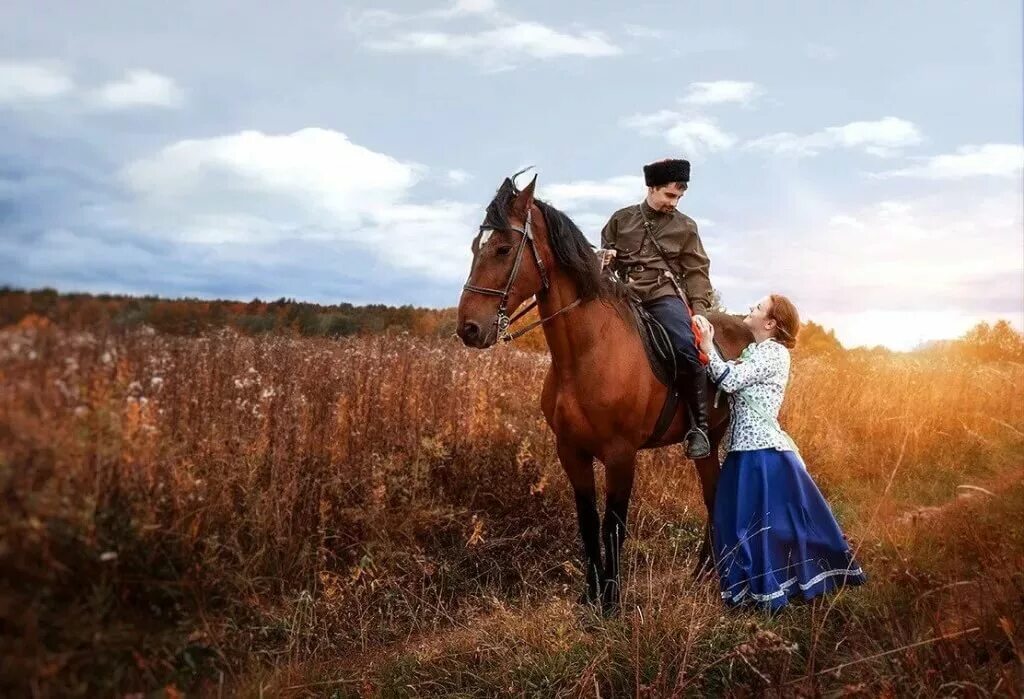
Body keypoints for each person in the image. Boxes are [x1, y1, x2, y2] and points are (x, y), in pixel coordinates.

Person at [693, 296, 866, 611]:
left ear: (771, 323)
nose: (752, 309)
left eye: (758, 308)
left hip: (760, 453)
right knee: (737, 522)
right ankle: (753, 589)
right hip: (741, 450)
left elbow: (729, 381)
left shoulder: (774, 353)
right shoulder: (755, 351)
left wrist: (706, 343)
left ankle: (770, 588)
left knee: (757, 524)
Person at [599, 158, 714, 458]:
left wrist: (699, 308)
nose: (673, 203)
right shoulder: (620, 220)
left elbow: (697, 272)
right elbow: (604, 260)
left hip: (662, 296)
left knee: (687, 347)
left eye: (678, 197)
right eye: (669, 196)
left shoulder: (686, 227)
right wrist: (606, 258)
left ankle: (698, 427)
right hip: (622, 296)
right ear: (651, 188)